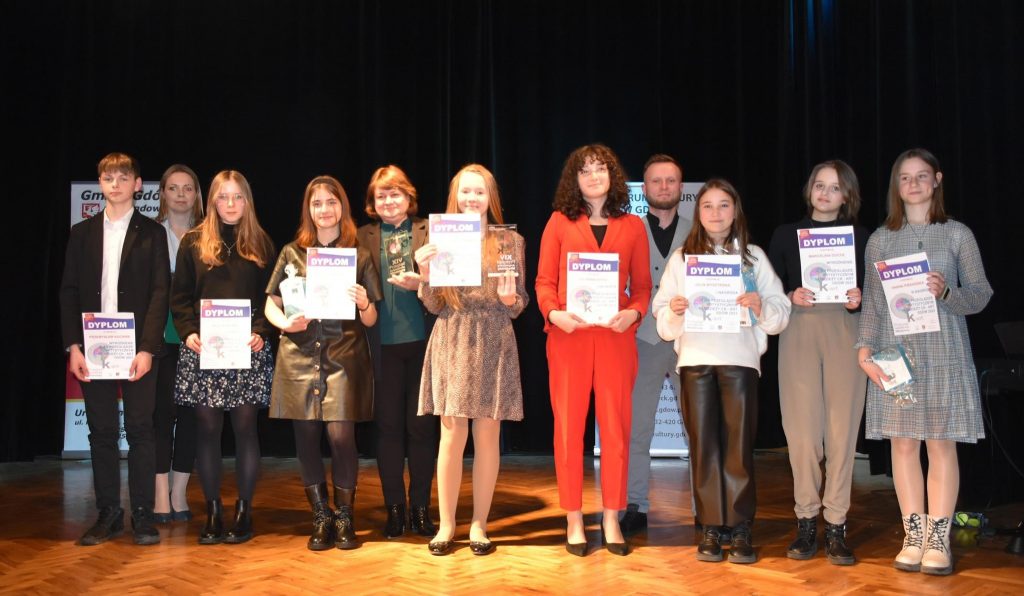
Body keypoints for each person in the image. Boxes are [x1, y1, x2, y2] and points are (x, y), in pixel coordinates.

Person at [856, 149, 992, 575]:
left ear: (937, 180)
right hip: (895, 353)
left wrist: (947, 292)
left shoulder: (957, 234)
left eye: (921, 176)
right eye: (904, 177)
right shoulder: (881, 239)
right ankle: (913, 535)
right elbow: (873, 304)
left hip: (944, 352)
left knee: (940, 443)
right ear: (896, 186)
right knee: (902, 443)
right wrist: (863, 349)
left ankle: (939, 539)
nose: (913, 184)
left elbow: (981, 295)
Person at [653, 178, 790, 564]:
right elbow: (662, 317)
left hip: (739, 360)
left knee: (738, 448)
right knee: (704, 448)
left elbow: (781, 312)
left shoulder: (753, 257)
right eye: (708, 205)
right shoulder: (682, 259)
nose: (716, 213)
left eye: (723, 205)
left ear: (735, 211)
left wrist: (761, 306)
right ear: (698, 212)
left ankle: (741, 526)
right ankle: (711, 527)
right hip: (695, 361)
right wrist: (674, 310)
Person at [536, 144, 651, 557]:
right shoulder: (559, 222)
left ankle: (611, 517)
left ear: (612, 175)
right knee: (568, 430)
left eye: (600, 168)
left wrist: (634, 313)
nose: (593, 175)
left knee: (616, 429)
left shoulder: (633, 226)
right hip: (569, 338)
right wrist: (554, 313)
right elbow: (544, 282)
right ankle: (573, 518)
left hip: (616, 339)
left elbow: (642, 288)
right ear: (575, 179)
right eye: (584, 170)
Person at [414, 164, 527, 556]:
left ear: (490, 197)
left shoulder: (509, 240)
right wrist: (425, 272)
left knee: (488, 433)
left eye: (480, 191)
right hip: (453, 334)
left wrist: (511, 298)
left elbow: (518, 303)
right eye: (466, 191)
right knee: (451, 432)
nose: (472, 198)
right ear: (455, 196)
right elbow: (433, 304)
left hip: (494, 335)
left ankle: (479, 524)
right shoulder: (439, 238)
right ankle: (446, 525)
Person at [265, 175, 381, 551]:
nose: (324, 209)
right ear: (308, 210)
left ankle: (345, 515)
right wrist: (284, 323)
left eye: (331, 202)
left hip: (344, 356)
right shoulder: (292, 253)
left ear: (342, 207)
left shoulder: (359, 255)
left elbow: (371, 320)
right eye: (317, 203)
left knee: (341, 437)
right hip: (299, 354)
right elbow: (270, 303)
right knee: (306, 437)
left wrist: (364, 302)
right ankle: (321, 515)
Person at [60, 152, 170, 545]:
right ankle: (108, 511)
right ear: (100, 184)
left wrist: (148, 348)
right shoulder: (82, 233)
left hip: (137, 349)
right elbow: (69, 291)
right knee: (102, 431)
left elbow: (160, 293)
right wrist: (73, 346)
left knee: (140, 429)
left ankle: (142, 513)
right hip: (93, 348)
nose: (116, 184)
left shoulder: (152, 233)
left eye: (124, 178)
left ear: (137, 185)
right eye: (109, 178)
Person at [767, 160, 869, 565]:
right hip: (799, 331)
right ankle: (806, 520)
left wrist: (859, 297)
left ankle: (837, 523)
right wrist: (789, 294)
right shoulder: (784, 234)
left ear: (847, 196)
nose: (825, 193)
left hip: (846, 330)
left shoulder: (861, 236)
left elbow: (874, 293)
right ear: (809, 189)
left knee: (842, 433)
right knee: (802, 434)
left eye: (835, 187)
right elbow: (769, 289)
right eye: (820, 185)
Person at [170, 170, 276, 545]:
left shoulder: (261, 243)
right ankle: (213, 511)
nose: (230, 204)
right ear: (212, 201)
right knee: (207, 429)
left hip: (248, 348)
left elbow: (272, 297)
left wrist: (261, 330)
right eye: (223, 197)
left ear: (248, 201)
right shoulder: (193, 242)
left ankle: (244, 512)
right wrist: (189, 332)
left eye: (238, 197)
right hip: (205, 349)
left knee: (246, 428)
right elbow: (180, 297)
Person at [357, 165, 439, 539]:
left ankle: (420, 508)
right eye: (381, 195)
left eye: (395, 193)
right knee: (388, 429)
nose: (389, 201)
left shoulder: (432, 231)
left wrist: (423, 281)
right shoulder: (361, 236)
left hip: (425, 343)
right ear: (372, 202)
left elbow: (451, 284)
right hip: (381, 347)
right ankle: (394, 509)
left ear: (409, 196)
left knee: (421, 429)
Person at [621, 154, 693, 536]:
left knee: (698, 428)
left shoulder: (699, 232)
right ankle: (635, 505)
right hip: (642, 339)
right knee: (636, 428)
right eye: (656, 181)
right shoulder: (628, 230)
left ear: (681, 187)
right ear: (644, 188)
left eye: (671, 180)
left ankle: (705, 507)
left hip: (691, 342)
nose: (664, 187)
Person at [152, 164, 204, 523]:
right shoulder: (148, 234)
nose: (181, 194)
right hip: (159, 338)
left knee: (191, 416)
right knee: (161, 414)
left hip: (200, 337)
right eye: (173, 188)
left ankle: (179, 491)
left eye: (188, 188)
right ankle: (159, 493)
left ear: (197, 194)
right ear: (162, 194)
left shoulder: (208, 236)